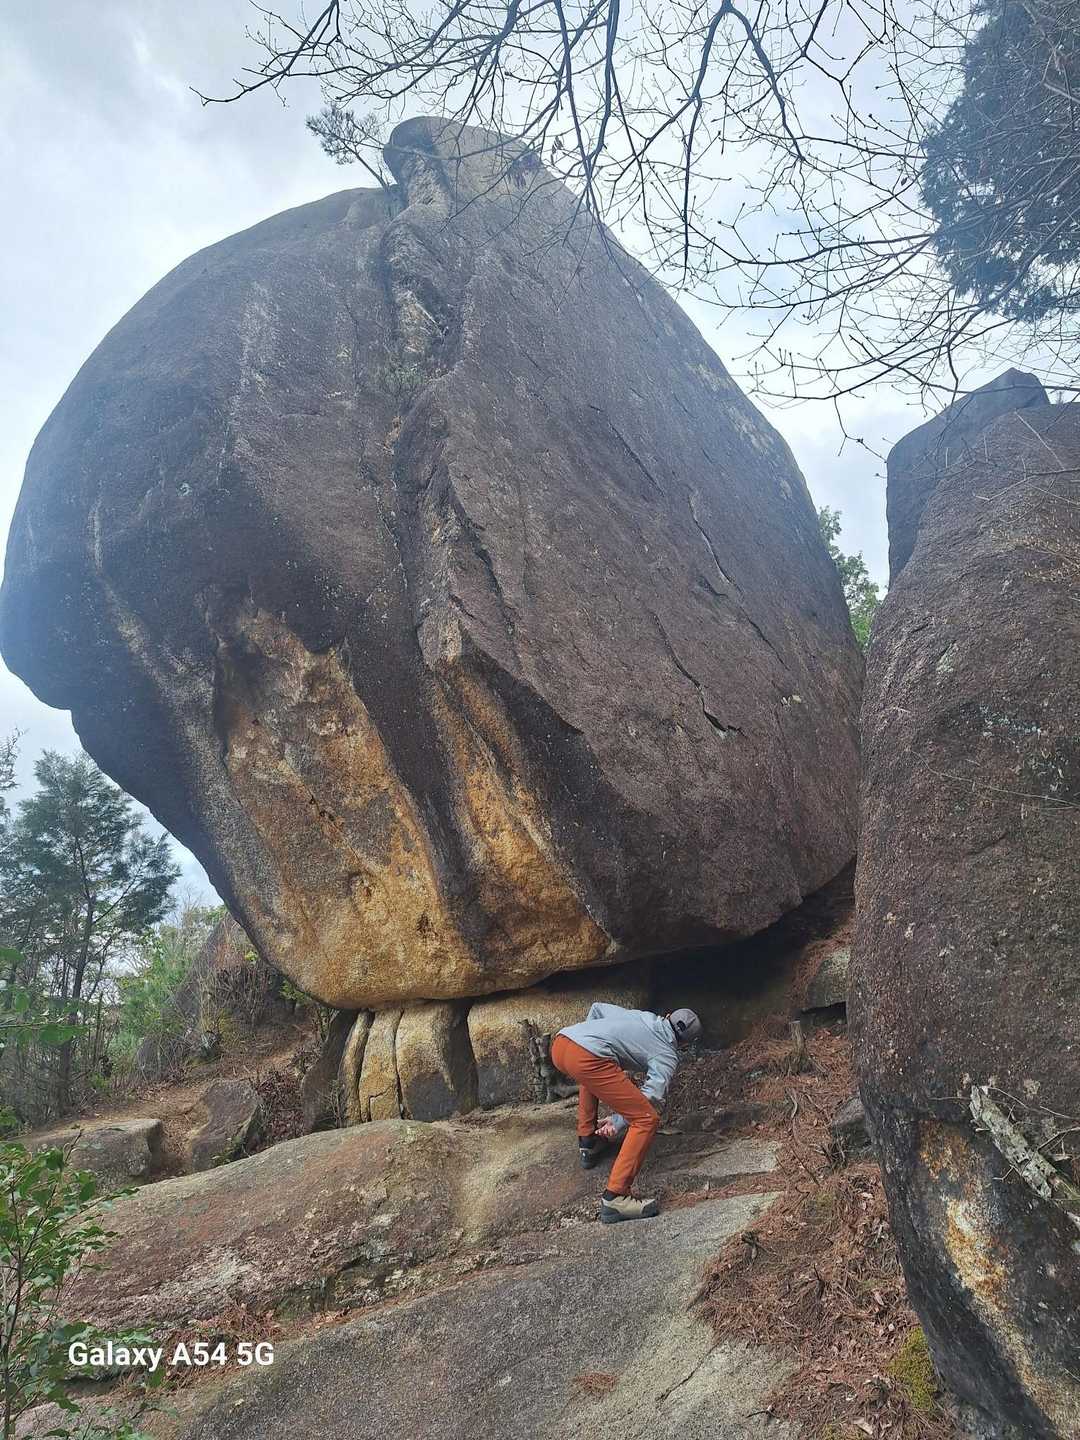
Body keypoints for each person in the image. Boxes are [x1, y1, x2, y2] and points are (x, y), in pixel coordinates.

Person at [550, 1002, 702, 1223]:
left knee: (593, 1069)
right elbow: (651, 1096)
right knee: (646, 1119)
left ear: (667, 1015)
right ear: (686, 1044)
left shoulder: (644, 1017)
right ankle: (616, 1197)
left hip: (563, 1042)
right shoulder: (668, 1055)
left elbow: (597, 1009)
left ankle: (588, 1141)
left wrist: (590, 1038)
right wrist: (619, 1121)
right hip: (585, 1058)